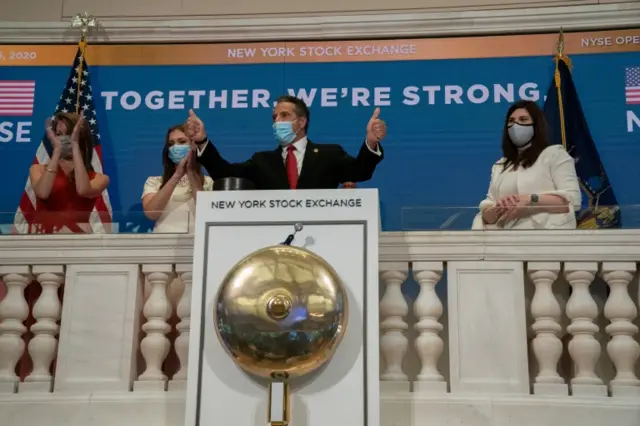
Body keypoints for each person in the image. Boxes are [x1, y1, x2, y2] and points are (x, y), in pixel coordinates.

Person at [185, 95, 386, 189]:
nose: (277, 122)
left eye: (284, 115)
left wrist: (370, 141)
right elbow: (223, 172)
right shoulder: (262, 161)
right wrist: (202, 140)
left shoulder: (329, 154)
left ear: (301, 122)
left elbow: (360, 172)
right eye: (274, 117)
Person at [473, 100, 581, 230]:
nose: (515, 125)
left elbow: (573, 201)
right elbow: (488, 212)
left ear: (536, 125)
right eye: (511, 121)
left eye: (523, 120)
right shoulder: (500, 165)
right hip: (506, 243)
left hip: (548, 241)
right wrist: (495, 210)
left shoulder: (554, 154)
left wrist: (531, 200)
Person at [26, 113, 110, 233]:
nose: (63, 139)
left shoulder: (100, 178)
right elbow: (42, 192)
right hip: (42, 239)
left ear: (80, 137)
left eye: (69, 134)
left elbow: (83, 190)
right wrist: (56, 152)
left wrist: (75, 145)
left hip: (78, 239)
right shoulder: (37, 169)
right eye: (59, 134)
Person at [142, 124, 213, 233]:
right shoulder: (154, 182)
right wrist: (177, 175)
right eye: (171, 144)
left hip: (197, 244)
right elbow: (151, 214)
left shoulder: (208, 182)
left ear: (194, 146)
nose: (175, 147)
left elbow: (208, 213)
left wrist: (190, 172)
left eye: (182, 142)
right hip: (162, 245)